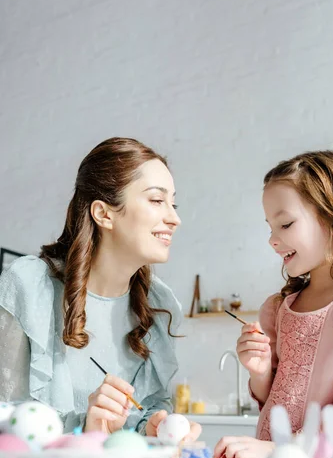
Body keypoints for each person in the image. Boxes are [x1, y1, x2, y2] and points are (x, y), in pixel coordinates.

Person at [0, 137, 201, 441]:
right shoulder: (28, 286)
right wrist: (85, 428)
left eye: (173, 203)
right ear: (104, 213)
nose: (175, 218)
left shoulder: (159, 305)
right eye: (157, 200)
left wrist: (152, 426)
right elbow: (7, 418)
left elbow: (144, 412)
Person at [214, 150, 333, 458]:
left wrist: (279, 450)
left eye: (285, 224)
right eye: (270, 227)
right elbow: (270, 399)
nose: (273, 240)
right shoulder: (277, 308)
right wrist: (259, 372)